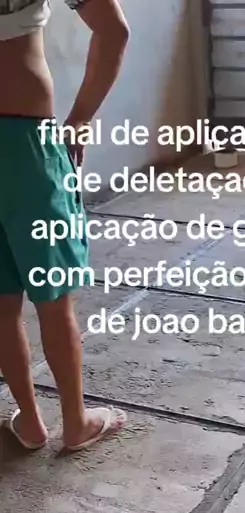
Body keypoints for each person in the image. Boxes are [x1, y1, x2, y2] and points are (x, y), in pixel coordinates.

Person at [0, 0, 129, 451]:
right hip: (25, 143)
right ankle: (75, 422)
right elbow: (113, 31)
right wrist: (80, 120)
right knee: (53, 298)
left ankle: (31, 422)